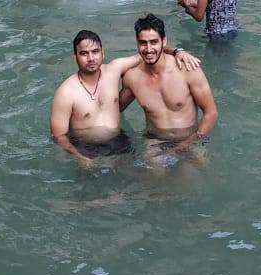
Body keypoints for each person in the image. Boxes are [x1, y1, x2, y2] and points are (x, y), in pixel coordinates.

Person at [49, 28, 200, 169]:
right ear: (75, 57)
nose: (91, 58)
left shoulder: (114, 70)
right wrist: (78, 157)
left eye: (95, 52)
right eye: (84, 53)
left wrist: (178, 51)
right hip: (85, 147)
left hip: (119, 141)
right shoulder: (66, 92)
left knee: (134, 180)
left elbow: (149, 52)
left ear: (103, 53)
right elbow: (58, 136)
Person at [121, 14, 218, 159]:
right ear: (137, 43)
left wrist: (188, 144)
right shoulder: (132, 78)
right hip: (155, 142)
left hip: (191, 139)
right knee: (153, 170)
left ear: (164, 41)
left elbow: (211, 113)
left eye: (154, 42)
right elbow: (116, 109)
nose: (148, 49)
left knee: (195, 171)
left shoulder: (187, 69)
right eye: (143, 43)